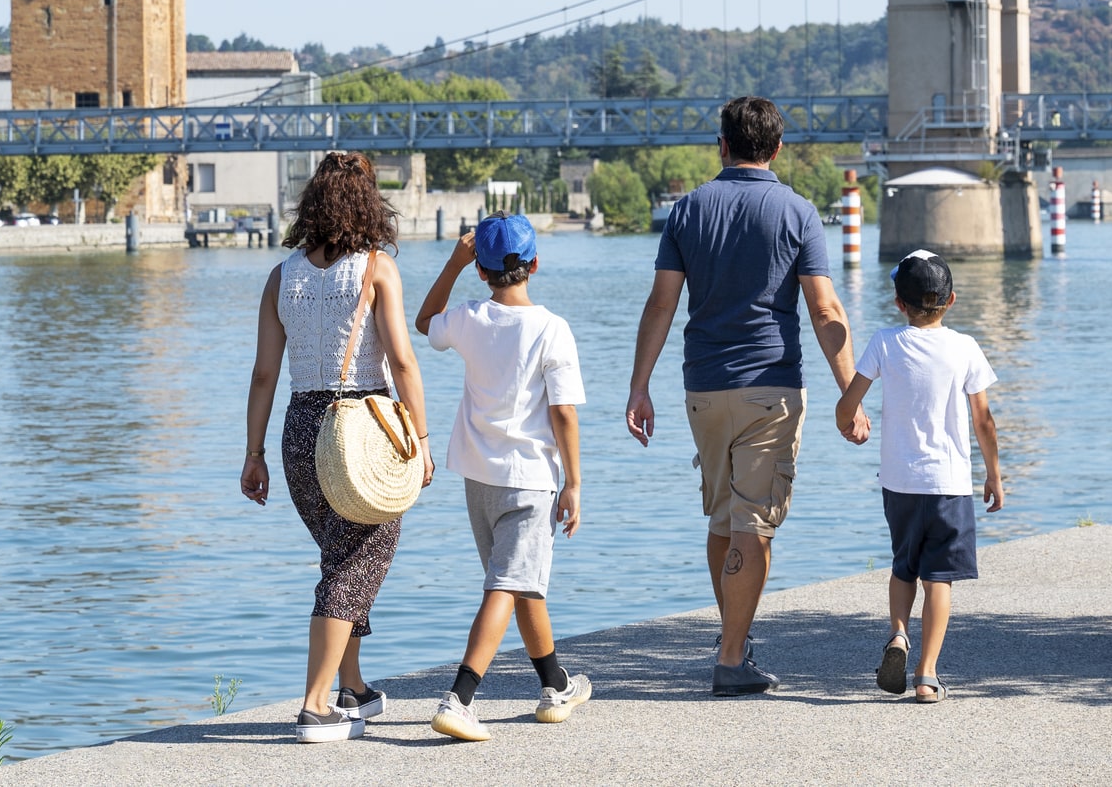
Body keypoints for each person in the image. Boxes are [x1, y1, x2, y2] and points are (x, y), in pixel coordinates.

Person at [625, 95, 870, 696]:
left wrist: (638, 386)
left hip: (703, 388)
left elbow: (662, 303)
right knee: (753, 524)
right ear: (778, 150)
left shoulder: (688, 210)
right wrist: (851, 394)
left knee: (722, 519)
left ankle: (732, 637)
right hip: (771, 387)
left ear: (723, 145)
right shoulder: (797, 211)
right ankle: (731, 659)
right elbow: (824, 308)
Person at [240, 151, 435, 743]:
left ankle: (352, 686)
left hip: (301, 429)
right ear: (367, 203)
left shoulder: (281, 275)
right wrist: (421, 439)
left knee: (341, 553)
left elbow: (263, 375)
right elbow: (401, 360)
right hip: (363, 429)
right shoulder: (377, 268)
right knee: (357, 558)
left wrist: (254, 454)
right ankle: (316, 704)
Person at [413, 216, 592, 742]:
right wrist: (575, 482)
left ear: (481, 271)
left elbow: (425, 321)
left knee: (519, 579)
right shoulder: (551, 328)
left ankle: (554, 684)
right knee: (508, 582)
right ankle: (459, 699)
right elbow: (563, 413)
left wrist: (452, 263)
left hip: (478, 477)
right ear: (535, 263)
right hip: (530, 479)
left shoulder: (468, 316)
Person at [835, 249, 1003, 704]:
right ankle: (927, 676)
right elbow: (983, 420)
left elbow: (849, 402)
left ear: (898, 302)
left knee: (903, 565)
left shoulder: (885, 342)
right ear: (951, 300)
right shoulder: (965, 346)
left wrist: (848, 422)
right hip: (949, 484)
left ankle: (896, 635)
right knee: (939, 579)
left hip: (899, 481)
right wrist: (994, 475)